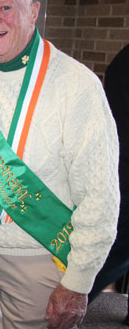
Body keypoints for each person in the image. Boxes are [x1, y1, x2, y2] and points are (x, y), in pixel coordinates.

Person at [0, 0, 120, 329]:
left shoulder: (77, 86)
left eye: (6, 7)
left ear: (33, 11)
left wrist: (78, 281)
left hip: (39, 258)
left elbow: (100, 195)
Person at [88, 43, 129, 325]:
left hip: (119, 170)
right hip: (123, 176)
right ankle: (60, 309)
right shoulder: (125, 62)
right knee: (111, 254)